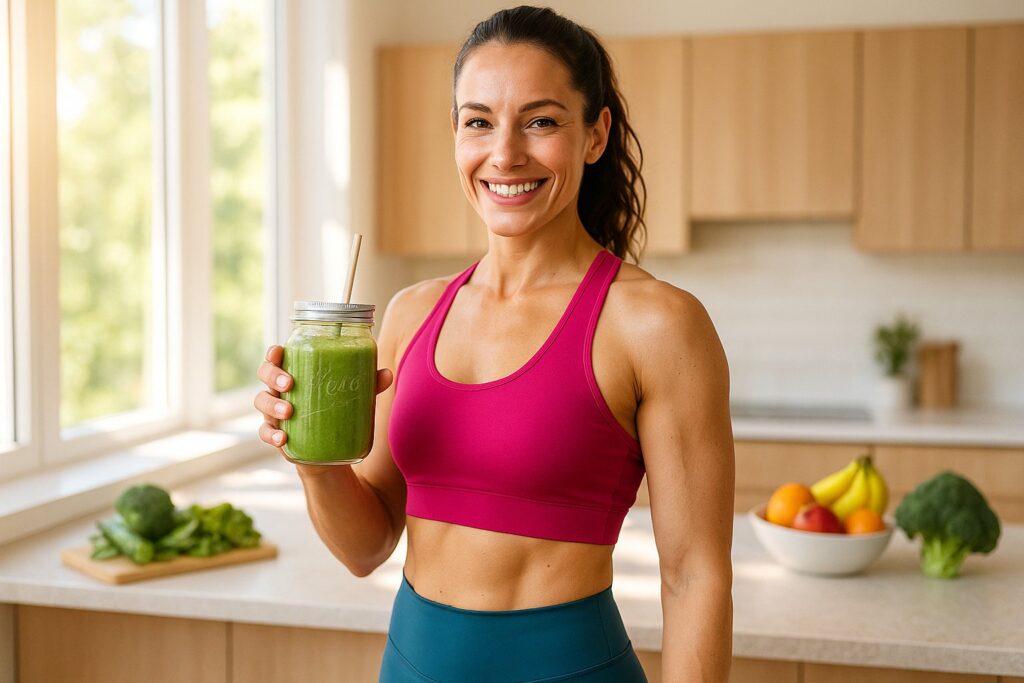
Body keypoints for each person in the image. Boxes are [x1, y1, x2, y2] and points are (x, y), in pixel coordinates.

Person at [255, 6, 734, 681]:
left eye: (540, 121)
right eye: (479, 121)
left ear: (594, 134)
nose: (505, 153)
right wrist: (312, 457)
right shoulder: (409, 314)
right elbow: (366, 546)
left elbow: (694, 577)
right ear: (456, 134)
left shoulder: (655, 323)